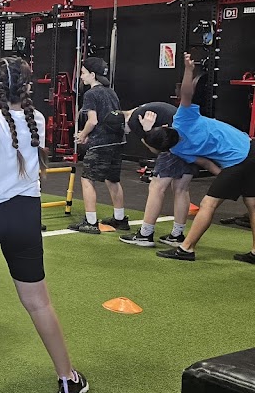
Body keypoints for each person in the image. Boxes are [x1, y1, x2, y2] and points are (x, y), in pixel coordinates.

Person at [0, 57, 88, 393]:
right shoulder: (34, 118)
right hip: (25, 217)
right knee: (39, 302)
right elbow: (7, 116)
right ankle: (68, 380)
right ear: (25, 89)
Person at [140, 53, 255, 263]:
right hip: (249, 149)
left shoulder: (176, 148)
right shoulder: (182, 120)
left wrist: (227, 177)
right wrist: (188, 70)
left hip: (238, 159)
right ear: (165, 127)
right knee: (252, 203)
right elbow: (186, 94)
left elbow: (206, 163)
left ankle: (186, 249)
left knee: (208, 204)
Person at [118, 101, 197, 248]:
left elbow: (156, 148)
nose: (126, 134)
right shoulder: (140, 109)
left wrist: (147, 131)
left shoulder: (135, 121)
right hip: (193, 140)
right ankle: (177, 235)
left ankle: (145, 234)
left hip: (174, 143)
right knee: (181, 189)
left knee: (156, 188)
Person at [69, 57, 129, 233]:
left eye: (83, 73)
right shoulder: (111, 92)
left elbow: (93, 121)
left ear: (92, 74)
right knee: (113, 180)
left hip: (100, 144)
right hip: (117, 141)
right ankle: (120, 219)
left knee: (87, 179)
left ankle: (91, 222)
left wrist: (82, 135)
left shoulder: (90, 94)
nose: (81, 77)